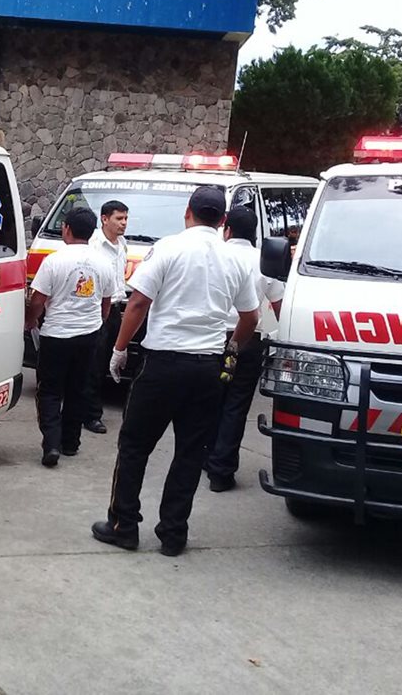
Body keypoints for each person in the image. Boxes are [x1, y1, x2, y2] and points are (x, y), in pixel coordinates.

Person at [91, 186, 259, 556]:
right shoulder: (235, 260)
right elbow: (251, 317)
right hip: (207, 368)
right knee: (190, 452)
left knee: (134, 445)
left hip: (163, 363)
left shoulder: (168, 247)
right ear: (222, 222)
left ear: (188, 212)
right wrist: (231, 348)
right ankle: (173, 533)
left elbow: (137, 303)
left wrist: (118, 350)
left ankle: (124, 525)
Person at [26, 207, 118, 467]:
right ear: (92, 231)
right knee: (78, 389)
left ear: (66, 229)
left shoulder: (54, 260)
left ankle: (51, 444)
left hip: (56, 334)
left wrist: (31, 320)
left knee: (50, 392)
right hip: (89, 335)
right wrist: (96, 324)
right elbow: (106, 303)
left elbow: (38, 300)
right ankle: (70, 443)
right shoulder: (103, 262)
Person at [205, 205, 284, 492]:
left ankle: (206, 457)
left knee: (211, 400)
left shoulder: (214, 256)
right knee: (236, 406)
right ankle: (221, 471)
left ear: (227, 229)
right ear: (255, 234)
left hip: (212, 337)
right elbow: (279, 306)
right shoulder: (263, 260)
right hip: (250, 341)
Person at [81, 199, 130, 434]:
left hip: (117, 308)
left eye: (125, 219)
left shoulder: (123, 244)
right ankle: (90, 415)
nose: (123, 224)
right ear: (104, 219)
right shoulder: (93, 245)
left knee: (113, 360)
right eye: (119, 219)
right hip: (97, 308)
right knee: (94, 364)